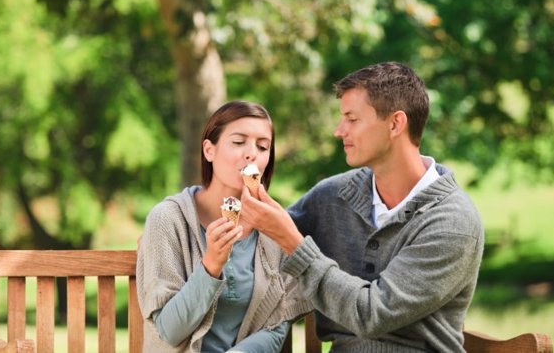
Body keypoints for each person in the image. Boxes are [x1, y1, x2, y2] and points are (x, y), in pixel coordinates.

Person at [241, 62, 484, 352]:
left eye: (352, 119)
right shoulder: (333, 196)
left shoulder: (452, 222)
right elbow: (257, 247)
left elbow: (372, 315)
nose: (338, 131)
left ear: (395, 124)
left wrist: (293, 244)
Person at [136, 100, 311, 353]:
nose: (251, 153)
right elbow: (169, 331)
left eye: (262, 147)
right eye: (238, 142)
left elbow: (276, 322)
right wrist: (211, 266)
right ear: (209, 150)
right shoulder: (168, 219)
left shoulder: (274, 227)